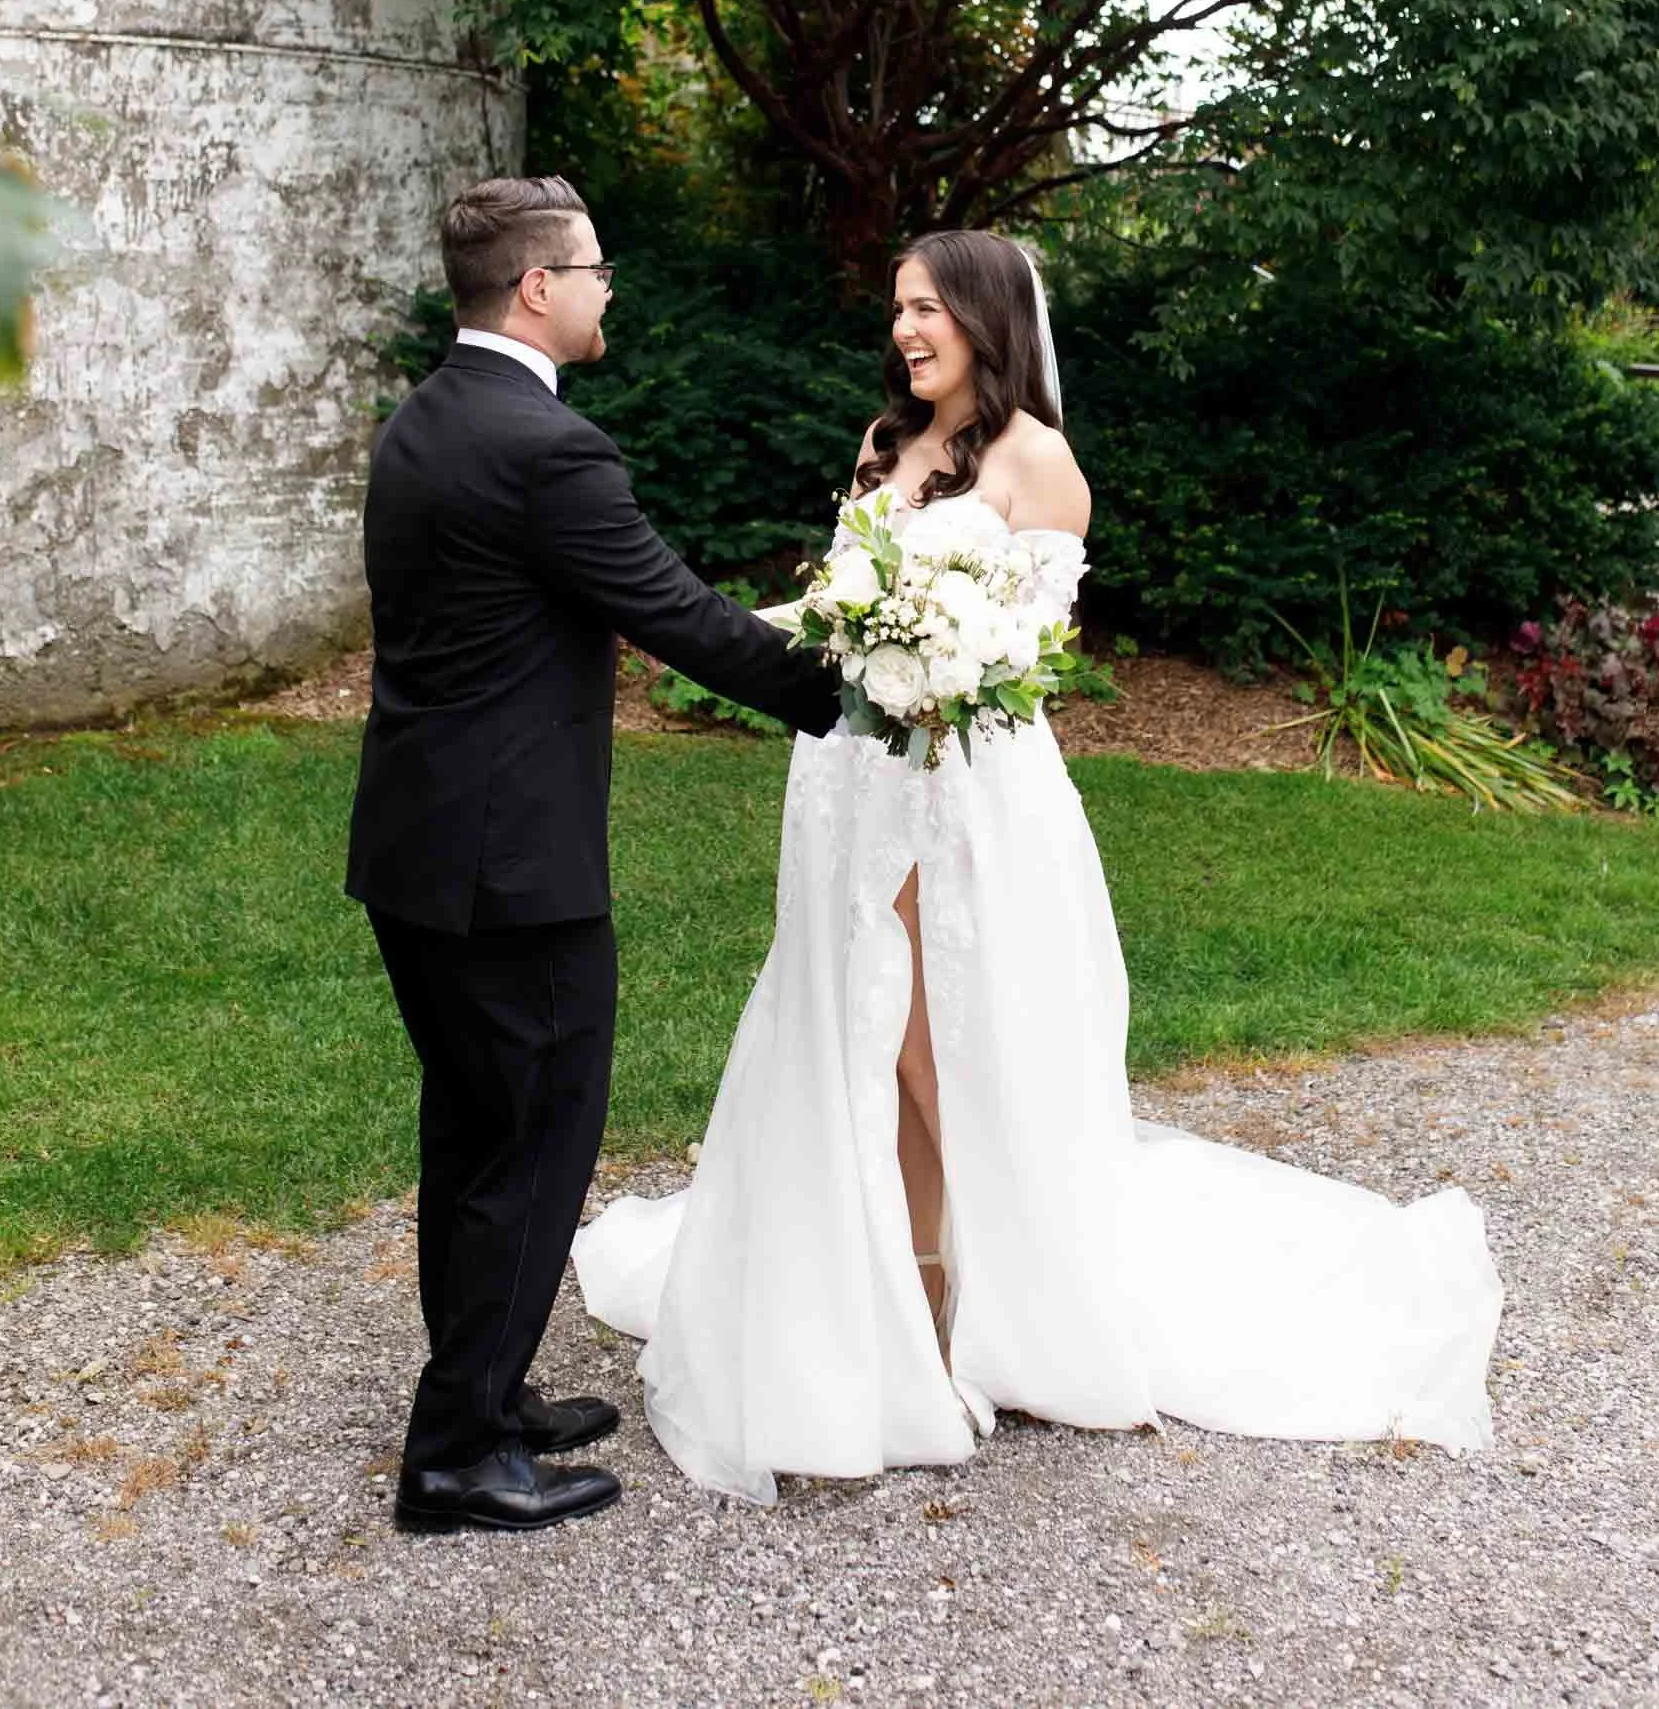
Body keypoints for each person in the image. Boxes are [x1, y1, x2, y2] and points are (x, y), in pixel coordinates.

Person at [573, 229, 1504, 1505]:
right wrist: (738, 634)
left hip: (963, 790)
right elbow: (841, 606)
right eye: (896, 309)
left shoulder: (1038, 463)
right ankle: (905, 1280)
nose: (905, 332)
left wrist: (937, 659)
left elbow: (1025, 653)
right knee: (861, 1024)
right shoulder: (878, 443)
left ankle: (988, 1299)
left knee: (930, 1036)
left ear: (985, 319)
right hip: (849, 779)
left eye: (927, 312)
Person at [346, 175, 841, 1534]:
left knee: (471, 1134)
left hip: (415, 850)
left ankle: (488, 1396)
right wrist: (845, 692)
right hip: (512, 872)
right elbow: (671, 611)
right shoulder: (545, 450)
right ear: (536, 289)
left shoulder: (423, 422)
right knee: (533, 1142)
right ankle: (453, 1460)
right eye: (596, 269)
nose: (609, 288)